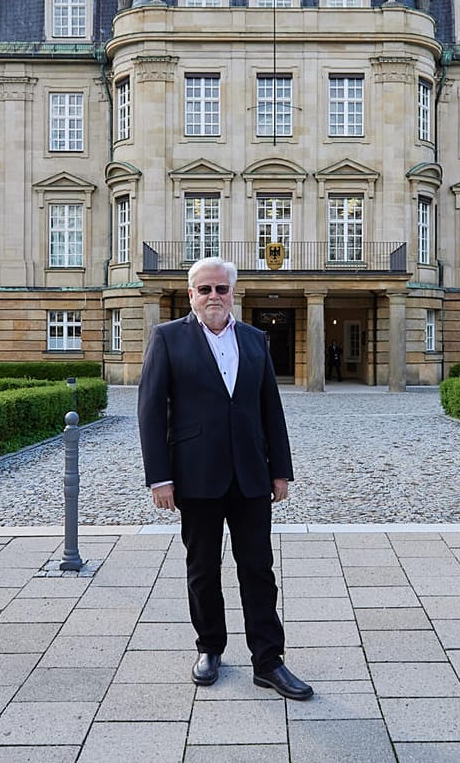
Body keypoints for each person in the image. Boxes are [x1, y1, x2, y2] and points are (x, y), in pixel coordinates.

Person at [138, 256, 312, 701]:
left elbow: (271, 409)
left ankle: (269, 662)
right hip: (195, 474)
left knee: (258, 568)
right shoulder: (167, 338)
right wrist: (159, 478)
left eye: (221, 289)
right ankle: (210, 648)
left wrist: (281, 470)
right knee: (202, 567)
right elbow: (151, 411)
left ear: (233, 292)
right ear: (190, 294)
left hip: (252, 474)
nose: (214, 296)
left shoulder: (255, 340)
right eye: (204, 289)